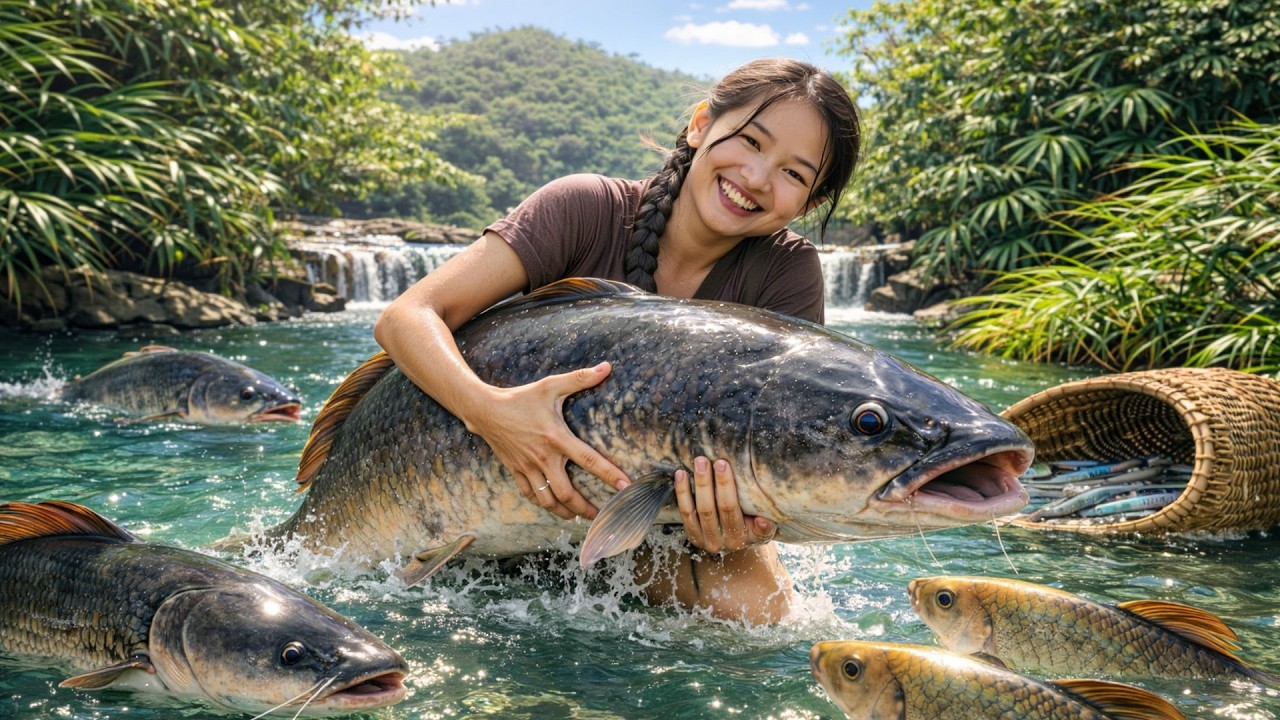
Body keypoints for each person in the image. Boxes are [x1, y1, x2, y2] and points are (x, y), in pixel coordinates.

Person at [374, 57, 861, 624]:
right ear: (701, 123)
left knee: (759, 614)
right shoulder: (583, 207)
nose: (756, 178)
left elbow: (782, 445)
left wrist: (738, 525)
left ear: (809, 203)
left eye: (794, 174)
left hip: (654, 522)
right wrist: (495, 417)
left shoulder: (787, 272)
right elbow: (406, 317)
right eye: (750, 141)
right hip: (482, 486)